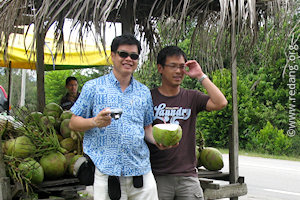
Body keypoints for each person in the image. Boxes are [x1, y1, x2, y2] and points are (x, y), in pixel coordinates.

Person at [69, 34, 163, 200]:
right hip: (107, 172)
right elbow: (73, 123)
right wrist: (94, 122)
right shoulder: (93, 87)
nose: (129, 59)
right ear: (112, 55)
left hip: (140, 171)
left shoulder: (144, 92)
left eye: (133, 56)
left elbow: (147, 127)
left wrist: (158, 141)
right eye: (123, 54)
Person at [148, 46, 228, 200]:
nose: (178, 71)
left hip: (188, 177)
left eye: (181, 67)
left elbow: (221, 102)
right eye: (173, 66)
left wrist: (200, 75)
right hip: (158, 175)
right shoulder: (148, 97)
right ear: (160, 68)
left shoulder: (192, 97)